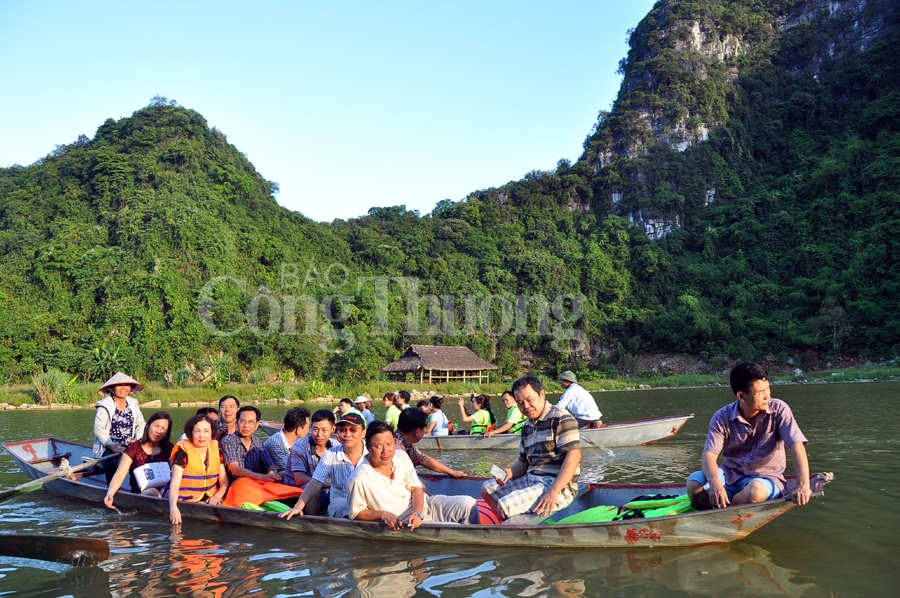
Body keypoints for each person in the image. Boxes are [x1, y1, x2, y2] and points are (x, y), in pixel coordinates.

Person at [686, 362, 811, 510]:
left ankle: (723, 515)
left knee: (754, 492)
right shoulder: (722, 417)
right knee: (693, 484)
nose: (767, 396)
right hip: (730, 474)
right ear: (741, 396)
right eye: (760, 393)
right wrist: (715, 484)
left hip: (766, 478)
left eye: (768, 389)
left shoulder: (779, 409)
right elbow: (709, 456)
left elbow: (796, 444)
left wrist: (803, 485)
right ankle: (716, 513)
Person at [482, 375, 581, 520]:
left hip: (558, 484)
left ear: (542, 394)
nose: (526, 406)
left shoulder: (560, 417)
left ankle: (513, 530)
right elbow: (524, 462)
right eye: (521, 403)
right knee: (487, 489)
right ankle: (511, 524)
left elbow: (574, 456)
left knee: (505, 505)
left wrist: (553, 491)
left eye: (529, 400)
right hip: (532, 478)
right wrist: (509, 472)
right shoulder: (526, 426)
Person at [347, 422, 476, 529]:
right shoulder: (359, 478)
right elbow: (356, 512)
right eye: (378, 446)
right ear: (368, 447)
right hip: (405, 522)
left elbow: (416, 488)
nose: (386, 451)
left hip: (424, 506)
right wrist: (382, 514)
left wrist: (417, 512)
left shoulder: (401, 456)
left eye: (389, 444)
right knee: (452, 527)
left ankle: (477, 545)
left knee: (469, 503)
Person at [279, 412, 368, 519]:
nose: (347, 434)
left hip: (367, 503)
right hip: (339, 504)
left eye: (353, 430)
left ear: (363, 433)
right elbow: (315, 482)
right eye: (343, 430)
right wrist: (297, 507)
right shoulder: (330, 454)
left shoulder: (373, 453)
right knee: (345, 505)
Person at [104, 411, 174, 508]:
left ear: (166, 433)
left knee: (168, 491)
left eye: (163, 428)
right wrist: (110, 493)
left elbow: (176, 471)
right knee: (153, 492)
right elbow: (120, 474)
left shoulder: (170, 448)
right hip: (141, 494)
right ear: (148, 426)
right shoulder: (134, 448)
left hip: (165, 492)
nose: (158, 431)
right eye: (156, 426)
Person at [169, 414, 229, 524]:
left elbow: (224, 481)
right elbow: (174, 484)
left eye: (206, 431)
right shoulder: (183, 452)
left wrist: (217, 496)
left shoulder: (216, 450)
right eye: (197, 431)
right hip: (187, 498)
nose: (202, 436)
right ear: (190, 433)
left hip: (212, 497)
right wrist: (173, 507)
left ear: (212, 434)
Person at [93, 372, 148, 486]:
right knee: (112, 463)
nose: (123, 388)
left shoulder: (132, 403)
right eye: (119, 385)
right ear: (112, 388)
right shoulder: (104, 405)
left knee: (141, 460)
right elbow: (99, 429)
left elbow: (141, 424)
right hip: (108, 446)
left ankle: (137, 489)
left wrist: (135, 439)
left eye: (127, 385)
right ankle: (112, 491)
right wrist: (114, 448)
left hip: (129, 444)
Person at [395, 408, 465, 477]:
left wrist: (452, 472)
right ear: (417, 432)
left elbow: (424, 460)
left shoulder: (406, 443)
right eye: (425, 428)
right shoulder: (397, 451)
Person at [220, 405, 280, 483]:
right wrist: (262, 477)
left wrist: (271, 473)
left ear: (256, 425)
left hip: (257, 483)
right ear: (236, 423)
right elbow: (235, 469)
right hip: (237, 484)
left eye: (250, 422)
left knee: (283, 475)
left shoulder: (257, 442)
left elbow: (270, 464)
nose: (246, 426)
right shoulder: (228, 441)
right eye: (242, 421)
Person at [285, 409, 336, 488]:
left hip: (328, 488)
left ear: (333, 429)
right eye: (315, 429)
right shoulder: (300, 446)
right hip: (298, 491)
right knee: (312, 487)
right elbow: (299, 478)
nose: (319, 434)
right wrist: (330, 486)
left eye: (324, 430)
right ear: (311, 427)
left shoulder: (336, 446)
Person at [263, 407, 310, 473]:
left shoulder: (297, 442)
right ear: (298, 430)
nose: (308, 431)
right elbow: (288, 472)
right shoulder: (276, 444)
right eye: (308, 427)